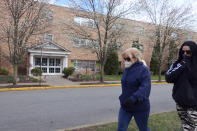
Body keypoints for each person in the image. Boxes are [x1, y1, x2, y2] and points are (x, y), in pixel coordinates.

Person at [165, 41, 197, 131]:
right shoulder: (177, 63)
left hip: (194, 104)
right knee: (185, 124)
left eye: (188, 52)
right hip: (180, 102)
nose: (185, 54)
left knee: (190, 126)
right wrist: (181, 65)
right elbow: (168, 78)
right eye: (183, 52)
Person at [118, 48, 151, 131]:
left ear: (135, 58)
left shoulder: (144, 70)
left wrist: (133, 99)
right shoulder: (127, 69)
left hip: (140, 107)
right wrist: (122, 98)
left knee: (143, 129)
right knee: (121, 128)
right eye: (124, 59)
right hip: (125, 106)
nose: (126, 61)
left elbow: (145, 88)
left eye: (128, 59)